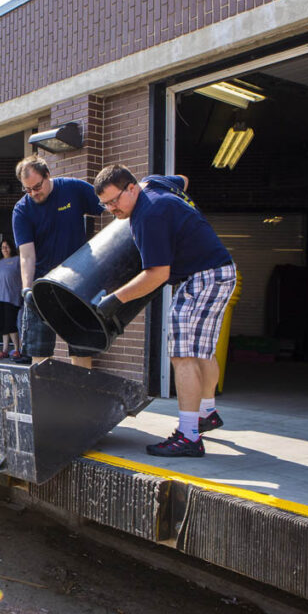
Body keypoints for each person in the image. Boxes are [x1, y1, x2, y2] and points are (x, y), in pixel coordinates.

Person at [93, 164, 235, 458]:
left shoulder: (149, 215)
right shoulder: (153, 182)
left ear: (131, 188)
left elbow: (157, 274)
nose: (111, 209)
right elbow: (183, 178)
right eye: (105, 204)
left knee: (182, 355)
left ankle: (188, 436)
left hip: (203, 276)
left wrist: (114, 300)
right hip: (220, 270)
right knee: (201, 351)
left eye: (115, 200)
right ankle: (206, 413)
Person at [12, 155, 104, 366]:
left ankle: (81, 396)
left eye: (37, 186)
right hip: (42, 285)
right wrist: (27, 289)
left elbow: (109, 205)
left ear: (48, 175)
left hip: (79, 281)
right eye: (28, 189)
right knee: (40, 352)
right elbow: (26, 254)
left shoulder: (73, 189)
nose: (34, 193)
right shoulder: (22, 210)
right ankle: (43, 397)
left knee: (82, 347)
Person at [0, 238, 22, 359]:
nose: (5, 249)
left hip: (11, 296)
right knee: (2, 324)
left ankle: (17, 349)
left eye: (7, 246)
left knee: (10, 323)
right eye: (3, 247)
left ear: (12, 248)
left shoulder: (17, 260)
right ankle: (5, 350)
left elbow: (23, 276)